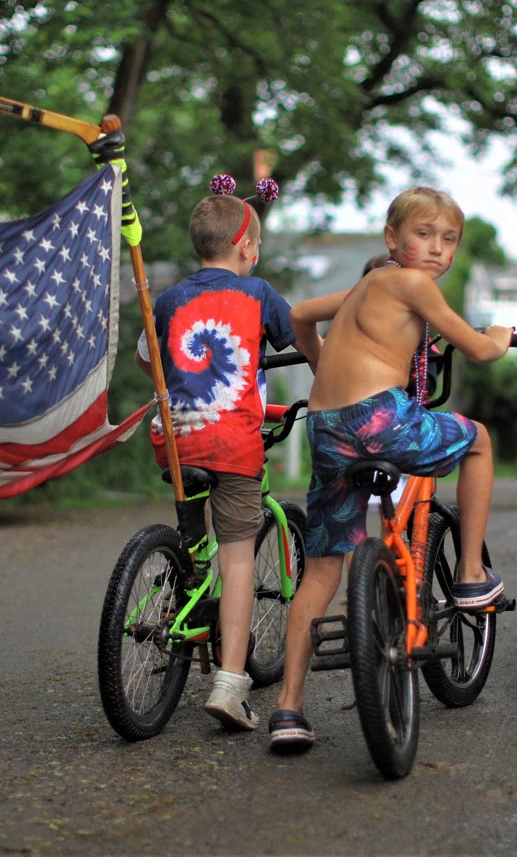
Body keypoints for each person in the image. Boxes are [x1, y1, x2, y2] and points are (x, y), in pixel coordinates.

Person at [266, 186, 514, 750]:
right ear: (392, 239)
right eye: (423, 235)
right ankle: (472, 574)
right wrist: (497, 337)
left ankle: (288, 708)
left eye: (448, 239)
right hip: (378, 419)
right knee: (479, 442)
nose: (437, 249)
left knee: (323, 571)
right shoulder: (411, 283)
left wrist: (320, 361)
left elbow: (300, 314)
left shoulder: (365, 285)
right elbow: (476, 348)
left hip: (326, 428)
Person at [136, 182, 321, 732]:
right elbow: (306, 338)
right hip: (232, 444)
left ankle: (184, 603)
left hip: (176, 442)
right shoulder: (259, 293)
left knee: (196, 537)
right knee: (237, 556)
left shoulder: (169, 299)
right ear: (246, 246)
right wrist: (331, 374)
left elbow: (151, 357)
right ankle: (231, 682)